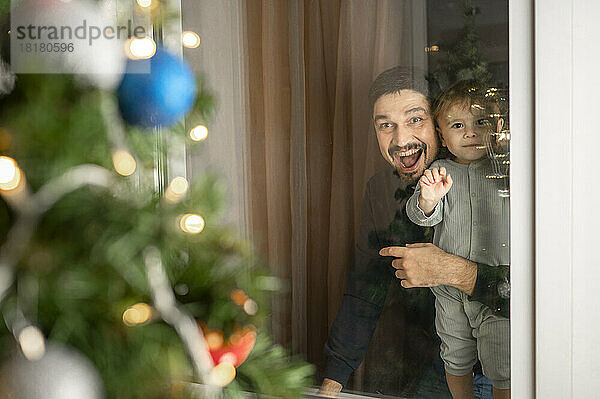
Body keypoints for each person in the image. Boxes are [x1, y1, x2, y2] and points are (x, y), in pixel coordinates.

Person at [318, 67, 509, 398]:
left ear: (436, 124)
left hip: (505, 363)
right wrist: (330, 386)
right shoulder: (380, 191)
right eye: (386, 125)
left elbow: (545, 292)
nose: (402, 140)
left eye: (414, 119)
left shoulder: (500, 177)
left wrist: (451, 270)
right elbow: (365, 290)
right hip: (440, 367)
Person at [405, 80, 510, 398]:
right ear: (441, 134)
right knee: (455, 354)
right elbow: (421, 216)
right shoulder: (440, 171)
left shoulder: (504, 170)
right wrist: (428, 199)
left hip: (495, 292)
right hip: (449, 291)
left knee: (501, 359)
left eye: (481, 122)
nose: (471, 133)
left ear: (498, 126)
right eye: (458, 125)